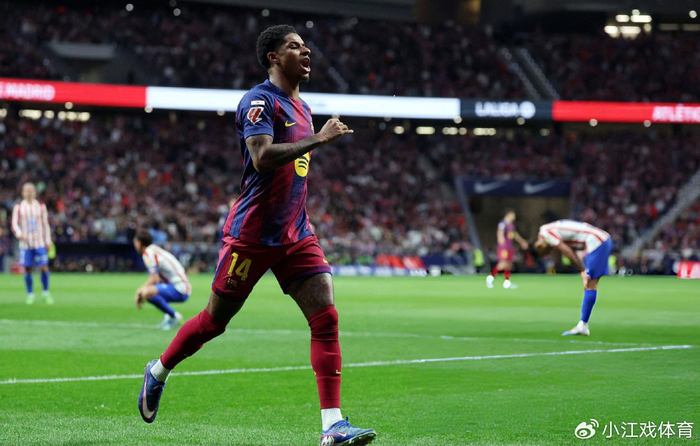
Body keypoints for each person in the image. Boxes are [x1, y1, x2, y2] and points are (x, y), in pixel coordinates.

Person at [137, 25, 376, 446]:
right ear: (273, 57)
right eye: (294, 46)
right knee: (214, 322)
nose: (305, 51)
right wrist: (320, 139)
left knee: (326, 318)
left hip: (296, 234)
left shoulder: (303, 107)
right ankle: (158, 371)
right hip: (252, 235)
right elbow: (263, 157)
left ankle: (333, 426)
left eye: (306, 46)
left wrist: (315, 139)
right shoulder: (259, 101)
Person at [531, 220, 613, 336]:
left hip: (597, 241)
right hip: (599, 240)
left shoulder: (546, 233)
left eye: (544, 252)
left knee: (590, 284)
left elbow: (567, 251)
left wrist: (582, 271)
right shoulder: (548, 230)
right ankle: (583, 324)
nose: (548, 252)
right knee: (589, 284)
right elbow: (572, 249)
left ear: (538, 246)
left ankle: (583, 325)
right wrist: (582, 269)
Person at [133, 230, 190, 330]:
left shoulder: (148, 253)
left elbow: (154, 279)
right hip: (180, 286)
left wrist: (139, 291)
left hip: (180, 288)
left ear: (139, 243)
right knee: (149, 291)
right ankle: (169, 316)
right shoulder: (154, 249)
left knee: (146, 292)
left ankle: (174, 316)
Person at [11, 182, 53, 304]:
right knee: (28, 268)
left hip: (39, 242)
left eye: (31, 190)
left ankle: (46, 293)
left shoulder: (41, 206)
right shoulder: (19, 207)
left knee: (44, 267)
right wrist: (19, 234)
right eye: (27, 190)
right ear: (23, 193)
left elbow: (45, 224)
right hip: (25, 244)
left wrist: (48, 241)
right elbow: (14, 224)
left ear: (35, 192)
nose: (29, 193)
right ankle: (30, 294)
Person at [486, 209, 528, 289]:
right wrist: (502, 244)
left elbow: (514, 234)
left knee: (509, 264)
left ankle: (507, 282)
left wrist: (522, 241)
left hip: (510, 247)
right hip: (504, 247)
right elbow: (500, 233)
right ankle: (491, 277)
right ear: (508, 214)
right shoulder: (502, 223)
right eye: (513, 215)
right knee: (503, 263)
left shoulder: (511, 225)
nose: (514, 217)